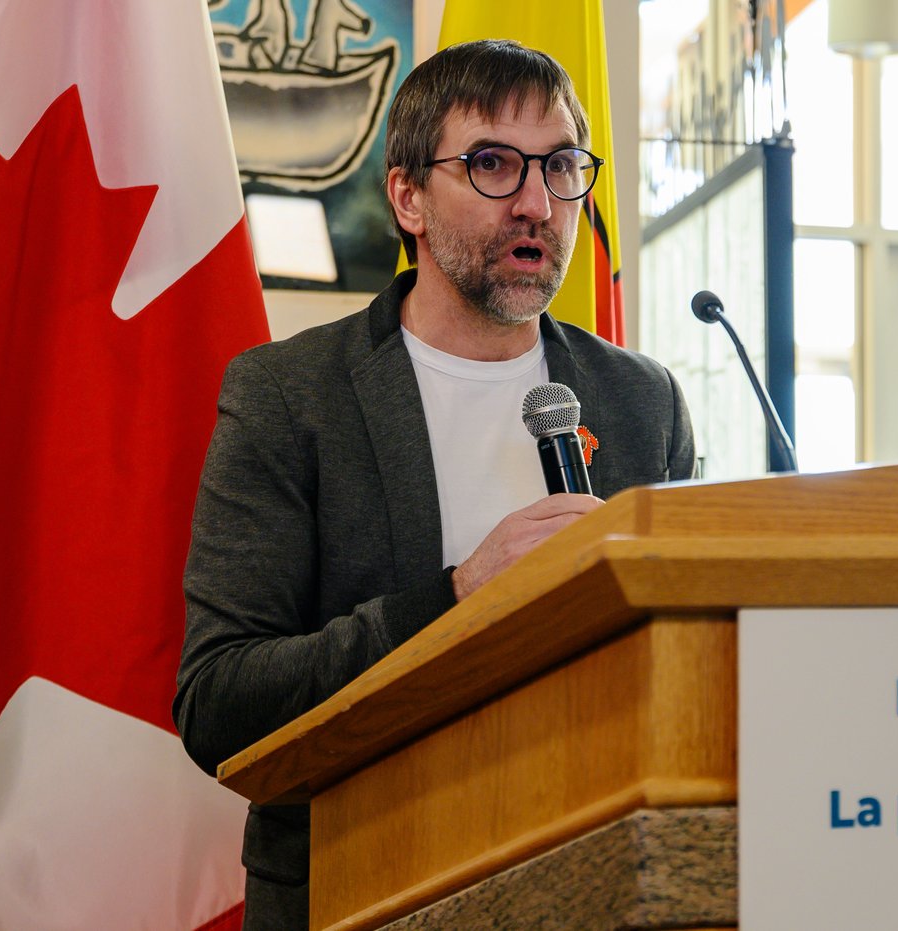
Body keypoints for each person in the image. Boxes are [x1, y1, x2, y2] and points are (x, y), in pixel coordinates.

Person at [174, 39, 695, 930]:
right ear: (408, 197)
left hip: (595, 878)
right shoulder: (288, 396)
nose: (537, 203)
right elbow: (220, 701)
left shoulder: (642, 401)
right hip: (360, 884)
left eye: (561, 166)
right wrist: (457, 598)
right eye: (492, 164)